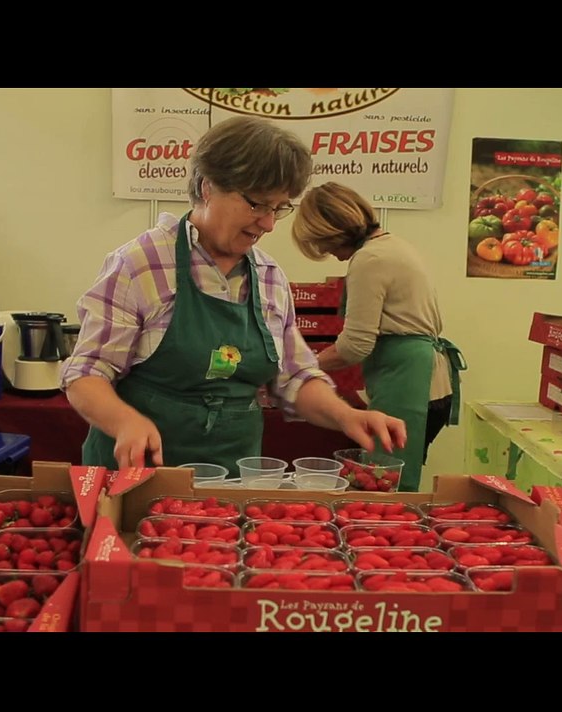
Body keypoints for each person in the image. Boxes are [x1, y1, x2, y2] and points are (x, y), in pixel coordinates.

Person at [60, 117, 407, 471]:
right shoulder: (140, 265)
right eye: (257, 204)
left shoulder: (269, 277)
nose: (269, 223)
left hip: (231, 485)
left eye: (279, 208)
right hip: (139, 473)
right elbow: (85, 374)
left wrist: (345, 415)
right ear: (208, 187)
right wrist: (125, 423)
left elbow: (294, 377)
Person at [291, 182, 465, 493]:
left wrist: (303, 369)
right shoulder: (394, 245)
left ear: (333, 233)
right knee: (390, 480)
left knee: (383, 486)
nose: (327, 253)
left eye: (323, 244)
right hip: (431, 381)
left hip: (409, 381)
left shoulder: (370, 260)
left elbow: (355, 346)